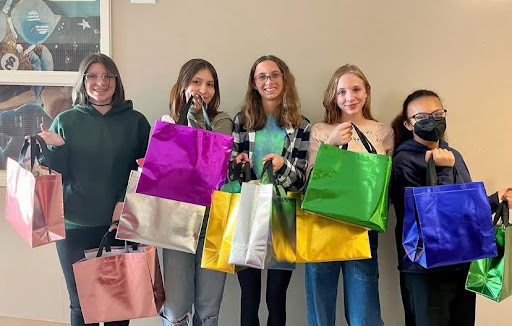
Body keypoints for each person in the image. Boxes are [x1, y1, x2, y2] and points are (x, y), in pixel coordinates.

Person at [36, 53, 151, 326]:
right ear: (83, 81)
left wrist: (124, 201)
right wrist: (56, 147)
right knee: (81, 305)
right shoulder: (65, 121)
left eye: (107, 76)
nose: (101, 82)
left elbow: (145, 172)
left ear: (116, 80)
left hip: (119, 225)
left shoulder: (135, 122)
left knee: (118, 308)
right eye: (93, 76)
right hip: (74, 225)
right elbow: (55, 176)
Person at [390, 89, 512, 326]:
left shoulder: (452, 154)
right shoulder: (404, 160)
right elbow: (430, 218)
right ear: (408, 124)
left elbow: (465, 211)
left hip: (462, 264)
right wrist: (444, 170)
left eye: (437, 114)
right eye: (422, 117)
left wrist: (497, 199)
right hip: (425, 268)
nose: (432, 121)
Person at [305, 64, 390, 326]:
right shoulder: (320, 129)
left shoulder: (383, 131)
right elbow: (309, 181)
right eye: (342, 91)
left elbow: (384, 181)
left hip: (362, 229)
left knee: (364, 314)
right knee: (321, 312)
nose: (349, 97)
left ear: (367, 92)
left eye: (356, 89)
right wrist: (330, 144)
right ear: (334, 96)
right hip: (323, 226)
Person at [231, 54, 310, 326]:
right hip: (247, 213)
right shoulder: (241, 121)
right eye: (262, 77)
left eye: (275, 75)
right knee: (249, 296)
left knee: (277, 297)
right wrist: (238, 163)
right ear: (254, 84)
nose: (269, 81)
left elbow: (301, 180)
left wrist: (282, 166)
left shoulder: (302, 125)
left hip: (284, 216)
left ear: (285, 79)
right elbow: (229, 172)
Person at [160, 58, 233, 326]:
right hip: (177, 221)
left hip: (215, 220)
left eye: (210, 84)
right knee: (176, 309)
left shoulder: (223, 120)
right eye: (196, 82)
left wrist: (195, 116)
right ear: (183, 85)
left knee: (208, 309)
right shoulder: (167, 123)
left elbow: (211, 162)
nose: (203, 89)